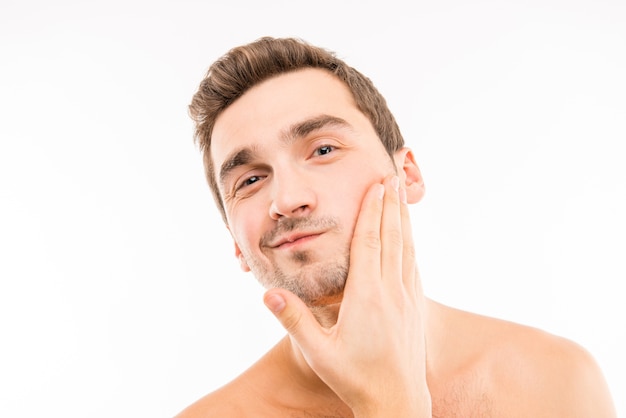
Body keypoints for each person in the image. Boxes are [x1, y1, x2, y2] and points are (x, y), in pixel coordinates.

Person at [176, 37, 616, 417]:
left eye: (324, 149)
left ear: (407, 175)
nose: (287, 200)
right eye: (250, 180)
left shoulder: (558, 380)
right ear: (235, 242)